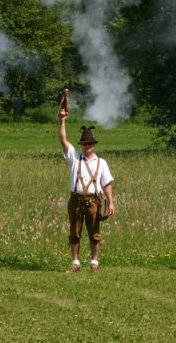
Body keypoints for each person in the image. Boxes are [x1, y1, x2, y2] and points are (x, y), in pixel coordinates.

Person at [58, 109, 115, 272]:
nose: (87, 146)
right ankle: (75, 263)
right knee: (74, 232)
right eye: (85, 143)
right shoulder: (74, 158)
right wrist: (63, 120)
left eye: (90, 143)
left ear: (94, 145)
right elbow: (63, 140)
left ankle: (94, 264)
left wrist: (111, 202)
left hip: (94, 201)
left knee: (95, 233)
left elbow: (107, 184)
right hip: (76, 200)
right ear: (81, 145)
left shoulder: (102, 163)